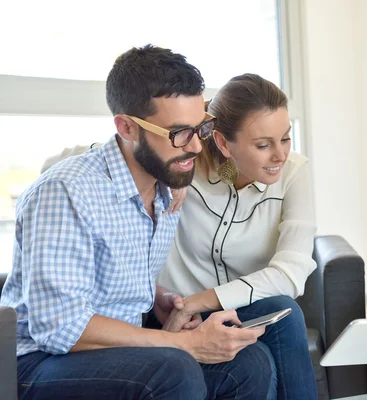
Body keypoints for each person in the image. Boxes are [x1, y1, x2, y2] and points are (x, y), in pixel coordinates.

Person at [0, 45, 272, 400]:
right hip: (38, 364)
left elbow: (102, 277)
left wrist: (157, 297)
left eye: (200, 128)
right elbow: (59, 328)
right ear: (127, 127)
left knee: (249, 362)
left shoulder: (166, 186)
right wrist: (184, 344)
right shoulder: (65, 192)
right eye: (178, 133)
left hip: (117, 353)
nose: (193, 147)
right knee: (174, 370)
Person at [152, 73, 319, 400]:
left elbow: (291, 273)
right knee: (258, 360)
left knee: (285, 311)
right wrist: (163, 169)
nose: (280, 156)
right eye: (263, 145)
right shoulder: (183, 163)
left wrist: (200, 301)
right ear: (224, 143)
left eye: (285, 138)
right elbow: (98, 152)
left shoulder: (294, 172)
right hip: (172, 316)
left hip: (232, 308)